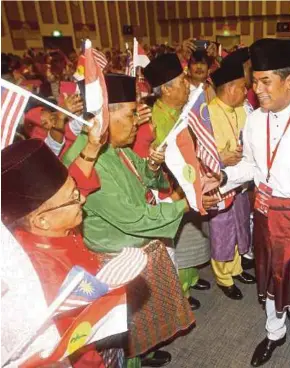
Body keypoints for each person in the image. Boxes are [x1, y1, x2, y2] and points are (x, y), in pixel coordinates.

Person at [206, 38, 290, 368]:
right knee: (268, 286)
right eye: (255, 80)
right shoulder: (254, 120)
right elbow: (253, 167)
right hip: (266, 219)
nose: (257, 89)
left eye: (265, 81)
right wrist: (223, 178)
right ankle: (274, 332)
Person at [62, 74, 195, 363]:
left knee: (137, 325)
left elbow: (143, 179)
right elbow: (134, 218)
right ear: (105, 116)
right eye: (132, 113)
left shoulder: (113, 148)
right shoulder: (85, 161)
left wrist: (151, 165)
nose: (138, 121)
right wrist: (186, 206)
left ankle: (141, 354)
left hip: (133, 250)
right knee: (120, 332)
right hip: (114, 261)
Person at [1, 128, 114, 367]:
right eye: (75, 197)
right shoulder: (49, 280)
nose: (82, 199)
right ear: (42, 220)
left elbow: (73, 185)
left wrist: (92, 146)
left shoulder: (45, 222)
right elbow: (76, 345)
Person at [143, 53, 212, 309]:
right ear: (167, 89)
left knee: (191, 236)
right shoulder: (154, 120)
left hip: (188, 183)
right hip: (170, 191)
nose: (188, 84)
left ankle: (191, 279)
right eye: (182, 81)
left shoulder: (182, 111)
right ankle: (180, 293)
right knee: (176, 242)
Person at [207, 60, 256, 300]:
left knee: (239, 226)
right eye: (242, 87)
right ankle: (223, 277)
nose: (246, 92)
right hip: (221, 182)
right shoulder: (207, 113)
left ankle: (236, 269)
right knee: (222, 231)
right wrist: (221, 157)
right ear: (229, 88)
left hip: (241, 182)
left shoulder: (242, 109)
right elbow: (198, 155)